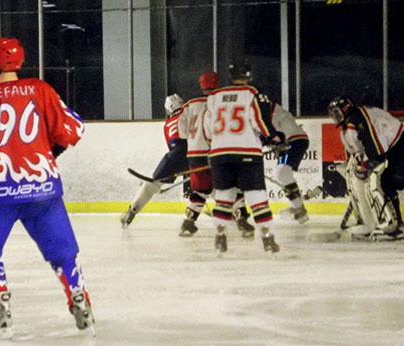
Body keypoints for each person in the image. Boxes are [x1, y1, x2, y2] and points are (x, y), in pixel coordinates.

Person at [0, 37, 93, 338]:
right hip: (42, 187)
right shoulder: (41, 89)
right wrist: (54, 148)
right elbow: (74, 129)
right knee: (62, 251)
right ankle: (79, 299)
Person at [204, 63, 283, 253]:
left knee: (224, 196)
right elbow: (259, 121)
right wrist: (274, 139)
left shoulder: (214, 96)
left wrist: (217, 146)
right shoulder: (251, 93)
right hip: (247, 151)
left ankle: (220, 237)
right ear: (249, 76)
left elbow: (208, 130)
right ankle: (267, 238)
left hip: (219, 153)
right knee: (256, 196)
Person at [328, 96, 404, 240]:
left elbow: (378, 155)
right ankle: (397, 227)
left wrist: (365, 166)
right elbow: (366, 153)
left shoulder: (359, 119)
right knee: (385, 183)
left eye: (337, 112)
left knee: (385, 183)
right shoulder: (352, 121)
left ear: (346, 108)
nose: (335, 116)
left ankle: (395, 229)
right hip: (397, 151)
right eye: (332, 113)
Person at [176, 71, 255, 237]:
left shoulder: (189, 104)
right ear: (218, 83)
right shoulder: (218, 102)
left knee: (200, 190)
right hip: (215, 151)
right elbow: (213, 129)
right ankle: (241, 221)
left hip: (194, 154)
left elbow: (182, 132)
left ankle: (188, 223)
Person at [120, 94, 189, 228]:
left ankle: (131, 211)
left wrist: (176, 169)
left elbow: (173, 147)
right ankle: (231, 210)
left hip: (174, 156)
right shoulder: (189, 112)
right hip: (195, 152)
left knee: (151, 184)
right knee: (208, 181)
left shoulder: (167, 124)